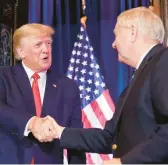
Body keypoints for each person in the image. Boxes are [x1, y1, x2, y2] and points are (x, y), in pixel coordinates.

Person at [53, 7, 168, 164]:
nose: (113, 44)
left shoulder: (163, 61)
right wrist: (59, 132)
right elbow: (110, 138)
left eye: (116, 35)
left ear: (133, 32)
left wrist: (125, 162)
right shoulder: (140, 76)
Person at [0, 23, 86, 164]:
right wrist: (31, 122)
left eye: (48, 43)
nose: (46, 49)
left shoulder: (67, 86)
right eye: (38, 45)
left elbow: (74, 137)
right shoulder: (4, 77)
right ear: (21, 52)